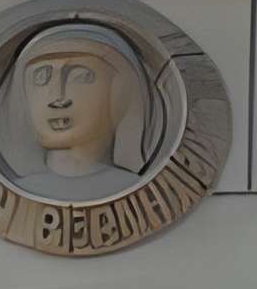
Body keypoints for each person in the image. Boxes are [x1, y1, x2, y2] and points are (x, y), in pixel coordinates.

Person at [14, 22, 153, 200]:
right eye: (41, 77)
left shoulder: (139, 194)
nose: (58, 99)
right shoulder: (19, 192)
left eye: (80, 76)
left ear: (118, 92)